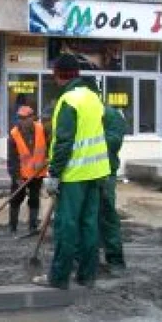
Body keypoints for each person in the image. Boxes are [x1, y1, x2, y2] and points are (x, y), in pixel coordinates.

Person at [33, 54, 110, 289]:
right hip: (96, 172)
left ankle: (58, 278)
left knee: (66, 227)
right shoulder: (94, 98)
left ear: (58, 75)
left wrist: (53, 174)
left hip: (74, 174)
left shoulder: (68, 101)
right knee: (89, 226)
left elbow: (64, 141)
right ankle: (87, 276)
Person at [91, 82, 127, 277]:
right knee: (89, 216)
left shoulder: (111, 115)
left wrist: (92, 138)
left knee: (106, 215)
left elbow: (114, 142)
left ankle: (115, 258)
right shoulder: (84, 115)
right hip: (86, 172)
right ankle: (91, 257)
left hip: (105, 173)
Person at [7, 105, 48, 236]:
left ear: (32, 117)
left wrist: (46, 160)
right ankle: (12, 227)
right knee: (16, 199)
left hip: (37, 172)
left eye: (24, 118)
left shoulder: (41, 129)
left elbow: (50, 146)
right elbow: (12, 159)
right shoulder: (14, 134)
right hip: (22, 174)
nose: (21, 121)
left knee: (34, 199)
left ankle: (33, 226)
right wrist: (16, 177)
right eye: (19, 118)